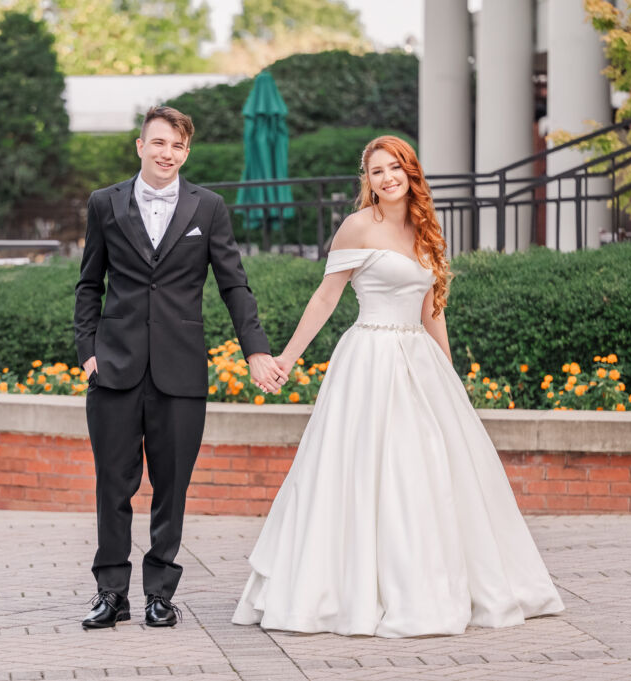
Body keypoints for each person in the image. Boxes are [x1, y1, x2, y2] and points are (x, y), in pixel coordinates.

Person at [231, 136, 564, 637]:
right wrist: (286, 358)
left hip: (420, 363)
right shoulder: (358, 226)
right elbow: (325, 300)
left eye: (394, 168)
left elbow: (433, 309)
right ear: (367, 181)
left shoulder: (425, 229)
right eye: (376, 171)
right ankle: (348, 590)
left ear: (411, 172)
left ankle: (437, 584)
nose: (386, 178)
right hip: (369, 359)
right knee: (364, 470)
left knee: (426, 470)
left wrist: (448, 376)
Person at [74, 105, 286, 630]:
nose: (168, 153)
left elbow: (233, 283)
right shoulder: (104, 203)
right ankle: (111, 591)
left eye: (178, 146)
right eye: (160, 142)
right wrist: (87, 350)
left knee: (172, 486)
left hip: (181, 371)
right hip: (115, 368)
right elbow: (89, 283)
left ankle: (160, 593)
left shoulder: (208, 207)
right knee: (112, 485)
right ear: (140, 146)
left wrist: (255, 349)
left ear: (185, 152)